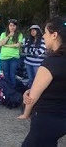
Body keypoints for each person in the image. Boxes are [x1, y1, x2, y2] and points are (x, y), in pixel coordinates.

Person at [18, 16, 66, 147]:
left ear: (54, 35)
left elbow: (33, 96)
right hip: (61, 119)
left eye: (45, 32)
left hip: (45, 120)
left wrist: (26, 113)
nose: (43, 36)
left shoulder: (50, 63)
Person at [0, 19, 23, 87]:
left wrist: (6, 45)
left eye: (14, 25)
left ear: (16, 27)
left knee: (12, 74)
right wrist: (8, 36)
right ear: (8, 26)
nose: (12, 27)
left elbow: (18, 45)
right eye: (11, 25)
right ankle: (7, 90)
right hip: (4, 57)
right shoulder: (3, 34)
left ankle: (13, 90)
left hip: (14, 57)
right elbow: (1, 44)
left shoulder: (19, 34)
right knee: (6, 74)